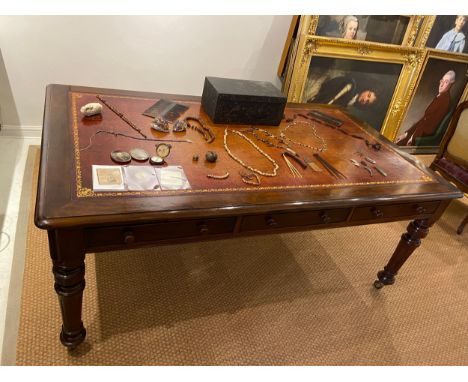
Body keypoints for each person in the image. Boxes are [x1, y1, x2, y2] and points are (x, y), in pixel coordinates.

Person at [396, 70, 456, 146]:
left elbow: (432, 126)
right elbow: (424, 119)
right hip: (418, 133)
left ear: (451, 85)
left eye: (446, 82)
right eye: (442, 81)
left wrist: (413, 137)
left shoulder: (445, 101)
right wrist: (406, 134)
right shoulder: (440, 97)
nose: (441, 84)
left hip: (422, 137)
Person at [308, 74, 379, 110]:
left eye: (367, 102)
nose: (365, 99)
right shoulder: (350, 85)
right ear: (366, 90)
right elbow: (330, 97)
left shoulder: (349, 105)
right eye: (368, 95)